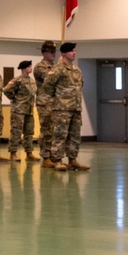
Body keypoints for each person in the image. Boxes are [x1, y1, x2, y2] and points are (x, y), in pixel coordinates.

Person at [40, 42, 89, 171]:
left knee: (74, 135)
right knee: (60, 135)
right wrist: (57, 101)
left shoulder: (76, 69)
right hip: (61, 109)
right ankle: (57, 160)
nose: (74, 53)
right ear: (64, 54)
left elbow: (80, 85)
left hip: (75, 108)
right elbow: (47, 87)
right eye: (71, 51)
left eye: (75, 50)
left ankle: (72, 160)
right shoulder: (57, 69)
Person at [4, 60, 39, 163]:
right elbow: (6, 90)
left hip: (29, 110)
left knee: (29, 132)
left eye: (31, 66)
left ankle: (29, 153)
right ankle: (13, 153)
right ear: (23, 68)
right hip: (18, 110)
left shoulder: (32, 81)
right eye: (28, 67)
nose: (30, 68)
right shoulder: (17, 80)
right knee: (16, 132)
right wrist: (14, 99)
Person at [34, 41, 57, 166]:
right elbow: (50, 78)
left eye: (54, 52)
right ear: (44, 53)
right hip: (44, 102)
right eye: (51, 52)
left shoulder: (55, 67)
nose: (53, 54)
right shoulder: (40, 67)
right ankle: (46, 156)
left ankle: (53, 155)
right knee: (46, 129)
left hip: (55, 102)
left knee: (54, 130)